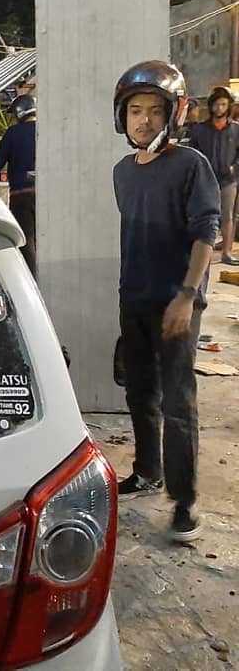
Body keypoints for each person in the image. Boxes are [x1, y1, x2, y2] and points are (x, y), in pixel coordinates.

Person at [111, 61, 220, 543]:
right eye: (136, 111)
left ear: (173, 114)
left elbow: (205, 234)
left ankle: (184, 503)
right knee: (139, 393)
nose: (145, 121)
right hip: (133, 297)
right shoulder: (122, 172)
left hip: (177, 301)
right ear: (123, 116)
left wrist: (188, 295)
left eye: (155, 111)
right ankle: (148, 472)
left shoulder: (191, 165)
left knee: (178, 403)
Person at [0, 94, 38, 277]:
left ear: (19, 113)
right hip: (44, 194)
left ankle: (33, 281)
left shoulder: (13, 133)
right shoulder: (44, 130)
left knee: (25, 241)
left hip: (21, 195)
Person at [187, 86, 239, 265]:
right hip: (206, 180)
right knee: (205, 217)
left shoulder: (236, 130)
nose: (219, 108)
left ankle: (226, 252)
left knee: (228, 215)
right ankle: (204, 254)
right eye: (216, 104)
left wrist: (234, 168)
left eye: (223, 104)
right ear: (211, 106)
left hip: (228, 180)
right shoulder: (200, 130)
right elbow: (192, 153)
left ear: (229, 106)